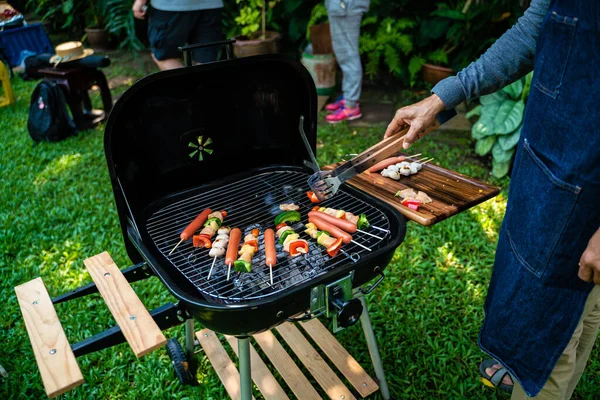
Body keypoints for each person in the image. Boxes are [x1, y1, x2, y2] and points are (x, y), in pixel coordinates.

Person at [383, 0, 600, 399]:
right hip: (550, 165)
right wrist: (442, 98)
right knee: (569, 317)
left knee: (554, 335)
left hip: (590, 189)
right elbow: (537, 26)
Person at [132, 0, 223, 70]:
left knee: (163, 55)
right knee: (206, 58)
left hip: (170, 6)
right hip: (211, 5)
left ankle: (189, 91)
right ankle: (199, 91)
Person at [323, 0, 370, 123]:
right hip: (342, 5)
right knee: (344, 54)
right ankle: (349, 98)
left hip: (346, 6)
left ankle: (351, 106)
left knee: (348, 55)